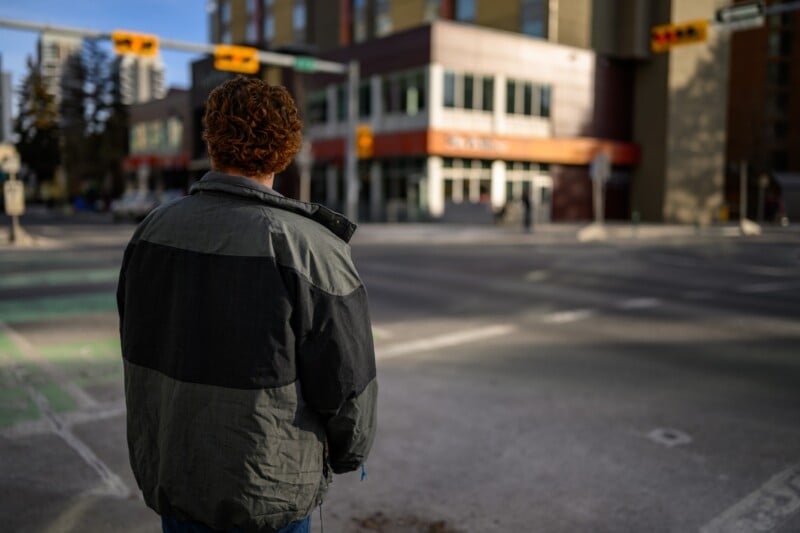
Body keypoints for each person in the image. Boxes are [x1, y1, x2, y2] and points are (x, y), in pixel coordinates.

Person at [117, 76, 378, 533]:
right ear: (286, 148)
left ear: (212, 141)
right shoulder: (311, 247)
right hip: (270, 491)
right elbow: (346, 379)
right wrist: (349, 452)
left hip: (178, 479)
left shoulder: (151, 231)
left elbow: (137, 339)